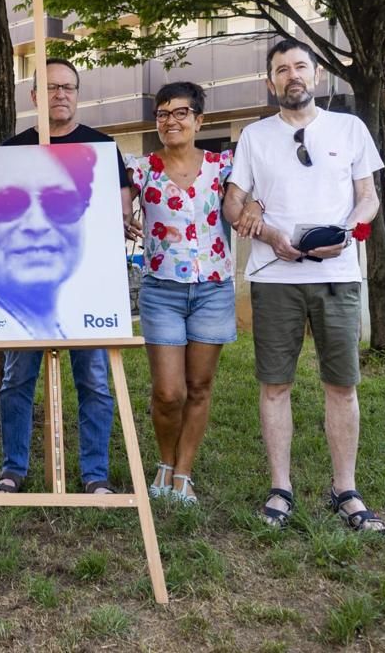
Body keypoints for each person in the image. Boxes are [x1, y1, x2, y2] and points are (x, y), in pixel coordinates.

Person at [223, 38, 385, 533]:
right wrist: (268, 233)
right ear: (269, 82)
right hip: (274, 278)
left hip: (337, 275)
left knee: (342, 385)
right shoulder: (254, 136)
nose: (292, 76)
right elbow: (234, 205)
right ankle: (280, 487)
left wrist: (347, 232)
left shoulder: (351, 128)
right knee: (275, 385)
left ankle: (346, 489)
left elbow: (368, 199)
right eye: (281, 69)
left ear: (316, 76)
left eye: (300, 67)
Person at [0, 58, 131, 495]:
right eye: (51, 87)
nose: (60, 94)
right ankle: (13, 468)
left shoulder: (102, 149)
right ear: (35, 96)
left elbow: (122, 211)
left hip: (89, 289)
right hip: (21, 293)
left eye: (68, 87)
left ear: (78, 93)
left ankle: (94, 474)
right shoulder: (11, 151)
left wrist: (118, 218)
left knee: (93, 379)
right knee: (16, 380)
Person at [125, 81, 236, 505]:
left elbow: (247, 197)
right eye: (163, 114)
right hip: (161, 290)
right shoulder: (143, 168)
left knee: (200, 385)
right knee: (168, 391)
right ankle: (164, 460)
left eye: (180, 113)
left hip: (213, 289)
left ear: (198, 120)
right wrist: (123, 211)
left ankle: (183, 471)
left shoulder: (222, 165)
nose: (171, 121)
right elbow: (118, 196)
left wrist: (252, 211)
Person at [0, 142, 96, 338]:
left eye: (60, 201)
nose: (37, 225)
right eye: (7, 203)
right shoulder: (3, 328)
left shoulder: (58, 325)